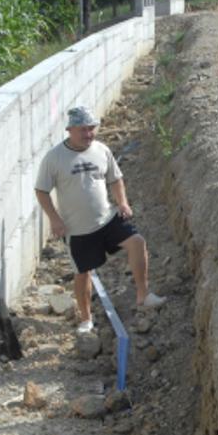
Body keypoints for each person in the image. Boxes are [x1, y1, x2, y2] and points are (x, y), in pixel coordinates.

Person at [34, 106, 166, 334]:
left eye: (91, 129)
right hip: (78, 230)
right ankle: (86, 319)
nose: (88, 134)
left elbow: (115, 179)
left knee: (137, 242)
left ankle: (143, 295)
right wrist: (54, 219)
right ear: (70, 130)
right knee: (82, 272)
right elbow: (41, 191)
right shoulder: (54, 158)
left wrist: (122, 202)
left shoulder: (101, 150)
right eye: (83, 130)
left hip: (107, 219)